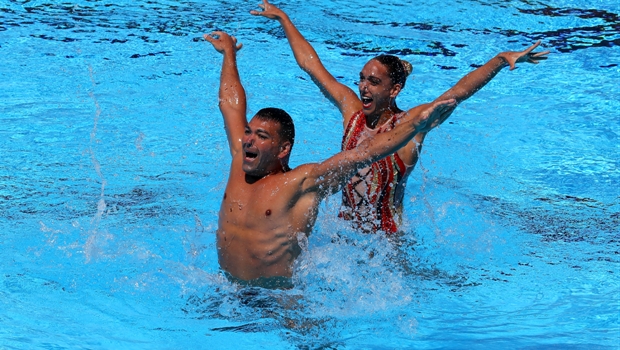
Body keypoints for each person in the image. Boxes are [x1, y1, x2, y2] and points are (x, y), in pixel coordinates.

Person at [251, 0, 550, 234]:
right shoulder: (352, 115)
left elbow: (457, 93)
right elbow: (311, 66)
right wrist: (284, 20)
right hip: (343, 236)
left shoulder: (410, 126)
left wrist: (499, 61)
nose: (363, 87)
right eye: (361, 79)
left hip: (388, 244)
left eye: (373, 82)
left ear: (394, 89)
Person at [204, 31, 455, 289]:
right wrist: (229, 55)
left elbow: (364, 153)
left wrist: (415, 126)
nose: (248, 140)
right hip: (227, 290)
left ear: (283, 149)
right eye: (248, 132)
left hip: (276, 300)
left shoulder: (302, 183)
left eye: (261, 136)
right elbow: (230, 105)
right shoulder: (239, 158)